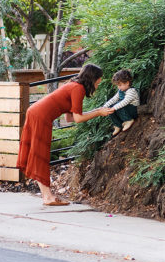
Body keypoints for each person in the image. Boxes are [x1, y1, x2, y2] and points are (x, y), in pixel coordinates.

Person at [16, 63, 113, 206]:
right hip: (40, 116)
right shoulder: (78, 89)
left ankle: (47, 196)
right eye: (98, 80)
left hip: (36, 112)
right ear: (93, 78)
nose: (99, 83)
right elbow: (79, 119)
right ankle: (48, 197)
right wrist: (98, 112)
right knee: (40, 154)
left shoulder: (74, 85)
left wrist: (98, 110)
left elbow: (70, 118)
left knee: (38, 153)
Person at [102, 69, 140, 136]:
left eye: (120, 85)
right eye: (117, 85)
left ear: (127, 83)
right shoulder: (120, 91)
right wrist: (105, 107)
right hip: (125, 110)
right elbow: (114, 99)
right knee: (110, 109)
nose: (118, 87)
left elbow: (125, 102)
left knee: (118, 106)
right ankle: (118, 125)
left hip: (132, 110)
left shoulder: (131, 91)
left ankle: (129, 120)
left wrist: (114, 108)